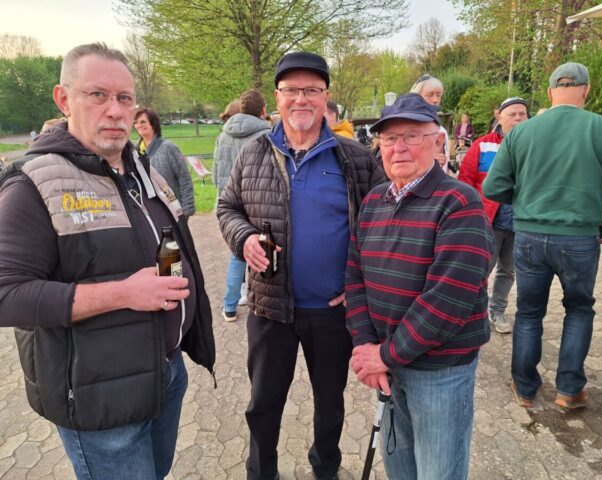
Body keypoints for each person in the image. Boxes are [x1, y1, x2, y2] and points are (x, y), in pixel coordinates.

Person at [0, 43, 215, 479]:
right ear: (64, 99)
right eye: (97, 95)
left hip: (165, 372)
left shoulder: (141, 169)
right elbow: (6, 294)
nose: (115, 111)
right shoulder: (34, 184)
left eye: (125, 98)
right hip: (101, 402)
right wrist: (123, 294)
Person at [217, 51, 384, 480]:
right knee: (263, 404)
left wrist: (362, 286)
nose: (301, 99)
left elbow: (382, 225)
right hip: (270, 307)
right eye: (292, 90)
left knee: (330, 403)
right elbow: (227, 207)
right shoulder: (253, 153)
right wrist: (243, 237)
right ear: (277, 97)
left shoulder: (355, 158)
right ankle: (261, 472)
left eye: (311, 89)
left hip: (332, 310)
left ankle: (325, 469)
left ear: (326, 96)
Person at [347, 93, 493, 480]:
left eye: (411, 135)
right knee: (399, 466)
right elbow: (355, 275)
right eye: (389, 138)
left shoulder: (460, 202)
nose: (399, 147)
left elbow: (447, 300)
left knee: (437, 473)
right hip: (387, 364)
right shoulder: (373, 201)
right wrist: (365, 344)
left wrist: (385, 355)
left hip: (438, 372)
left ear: (438, 141)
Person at [483, 62, 602, 410]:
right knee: (579, 310)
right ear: (587, 89)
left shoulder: (521, 132)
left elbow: (493, 187)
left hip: (529, 236)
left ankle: (525, 389)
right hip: (580, 238)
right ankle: (569, 391)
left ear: (550, 92)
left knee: (528, 313)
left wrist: (526, 203)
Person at [458, 96, 529, 334]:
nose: (518, 118)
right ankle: (469, 313)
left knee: (508, 271)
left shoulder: (534, 145)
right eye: (513, 114)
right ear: (499, 116)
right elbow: (465, 182)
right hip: (489, 221)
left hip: (520, 222)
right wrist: (471, 216)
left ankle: (496, 311)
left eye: (522, 114)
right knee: (480, 270)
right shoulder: (483, 145)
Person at [214, 89, 271, 322]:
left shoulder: (223, 136)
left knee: (238, 253)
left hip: (230, 203)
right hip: (258, 201)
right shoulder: (267, 134)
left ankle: (231, 304)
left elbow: (217, 172)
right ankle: (257, 303)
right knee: (259, 252)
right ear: (262, 110)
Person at [134, 108, 196, 223]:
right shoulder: (134, 151)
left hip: (174, 211)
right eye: (136, 122)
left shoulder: (169, 148)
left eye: (143, 122)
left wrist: (187, 209)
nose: (138, 125)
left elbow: (184, 178)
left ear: (153, 124)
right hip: (149, 212)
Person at [410, 74, 451, 173]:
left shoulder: (441, 130)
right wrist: (428, 163)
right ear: (417, 96)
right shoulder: (405, 126)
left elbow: (446, 167)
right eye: (430, 95)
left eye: (438, 95)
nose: (435, 100)